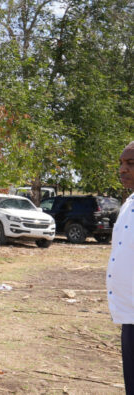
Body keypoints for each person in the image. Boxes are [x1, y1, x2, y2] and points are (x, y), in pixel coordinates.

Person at [108, 141, 134, 391]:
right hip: (129, 315)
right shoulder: (128, 203)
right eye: (121, 164)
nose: (123, 169)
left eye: (131, 163)